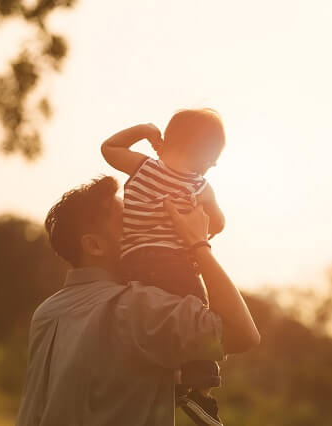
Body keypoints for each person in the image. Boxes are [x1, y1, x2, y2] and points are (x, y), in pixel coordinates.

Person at [15, 176, 260, 426]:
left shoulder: (47, 312)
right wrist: (198, 243)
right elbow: (242, 332)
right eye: (128, 221)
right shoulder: (136, 306)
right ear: (94, 245)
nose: (145, 228)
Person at [100, 109, 228, 424]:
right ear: (205, 155)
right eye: (213, 159)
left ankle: (157, 380)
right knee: (201, 321)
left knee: (145, 321)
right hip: (176, 266)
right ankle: (200, 393)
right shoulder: (200, 186)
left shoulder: (142, 166)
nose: (212, 165)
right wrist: (202, 226)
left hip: (132, 265)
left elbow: (109, 148)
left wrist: (145, 130)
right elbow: (220, 223)